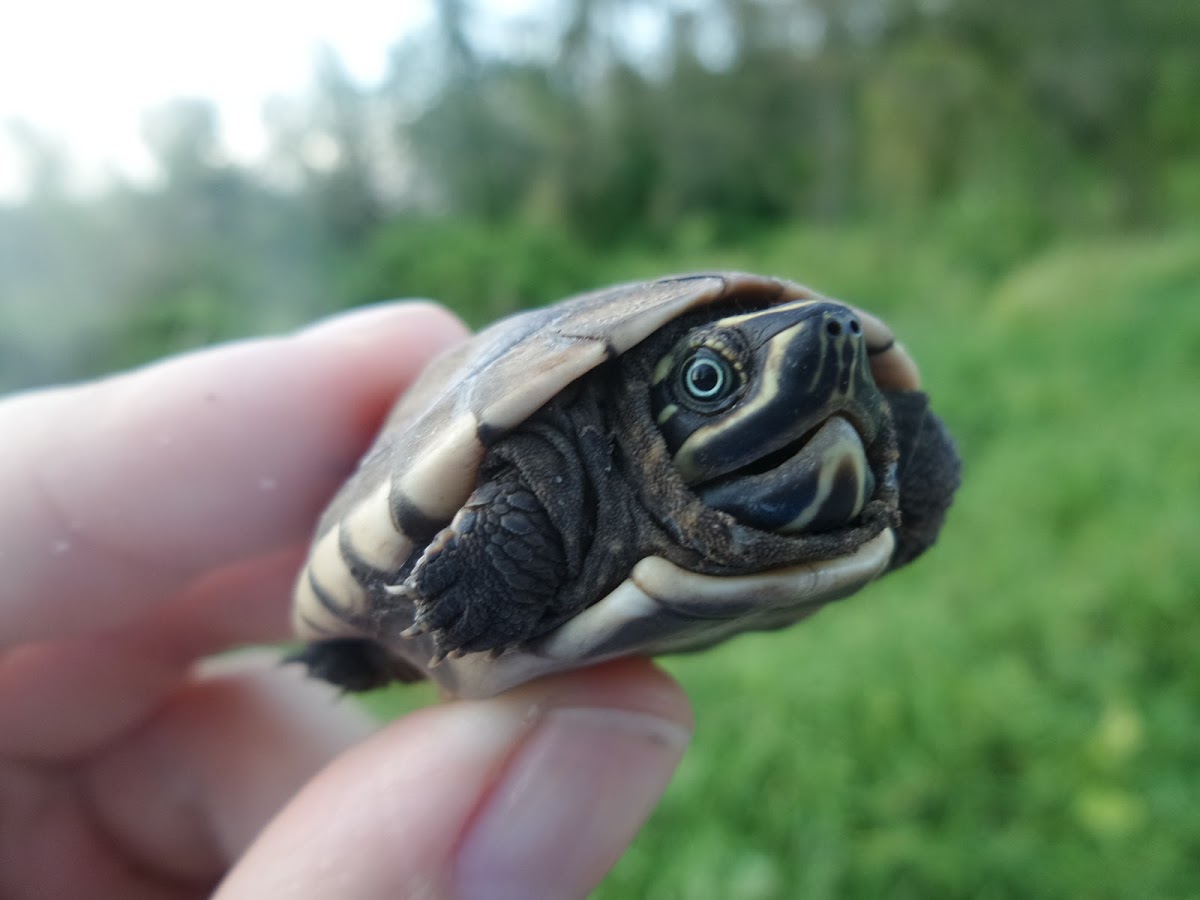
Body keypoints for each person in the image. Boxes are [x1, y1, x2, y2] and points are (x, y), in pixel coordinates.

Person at [0, 302, 693, 899]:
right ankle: (373, 639)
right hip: (478, 550)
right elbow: (528, 456)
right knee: (472, 558)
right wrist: (488, 569)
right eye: (709, 378)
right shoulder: (576, 439)